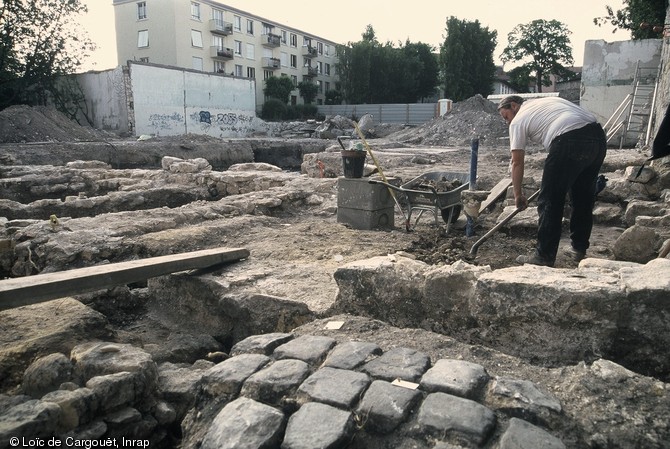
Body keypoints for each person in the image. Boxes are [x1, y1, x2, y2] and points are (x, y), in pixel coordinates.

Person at [497, 95, 607, 267]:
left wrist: (517, 194)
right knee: (583, 197)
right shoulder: (544, 102)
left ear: (513, 106)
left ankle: (544, 256)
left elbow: (517, 161)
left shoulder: (519, 119)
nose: (507, 123)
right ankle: (579, 249)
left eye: (506, 117)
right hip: (598, 138)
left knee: (550, 199)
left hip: (569, 139)